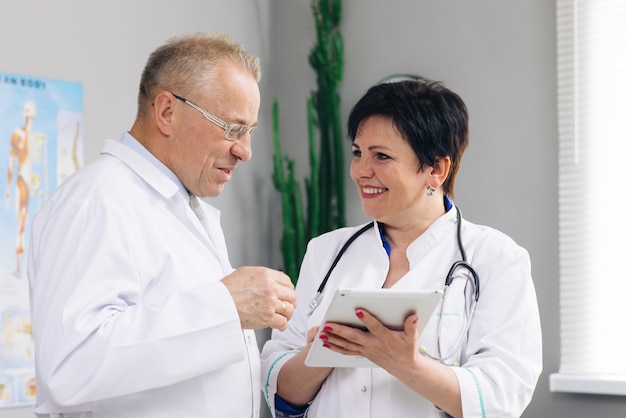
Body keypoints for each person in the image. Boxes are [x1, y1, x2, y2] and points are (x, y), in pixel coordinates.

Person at [27, 32, 297, 418]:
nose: (245, 151)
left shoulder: (181, 206)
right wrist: (226, 306)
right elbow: (72, 365)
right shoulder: (98, 202)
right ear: (167, 112)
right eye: (233, 128)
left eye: (250, 132)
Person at [261, 79, 542, 418]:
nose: (361, 171)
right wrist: (318, 354)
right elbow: (277, 384)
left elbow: (502, 395)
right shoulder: (325, 252)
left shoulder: (496, 259)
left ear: (436, 169)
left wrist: (407, 365)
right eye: (358, 153)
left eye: (381, 156)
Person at [5, 101, 40, 277]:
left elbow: (40, 164)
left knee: (31, 225)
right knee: (21, 224)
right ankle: (19, 267)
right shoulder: (18, 134)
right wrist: (8, 188)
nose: (27, 113)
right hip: (21, 182)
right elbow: (11, 162)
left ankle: (24, 269)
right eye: (25, 109)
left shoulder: (36, 138)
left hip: (33, 185)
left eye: (30, 109)